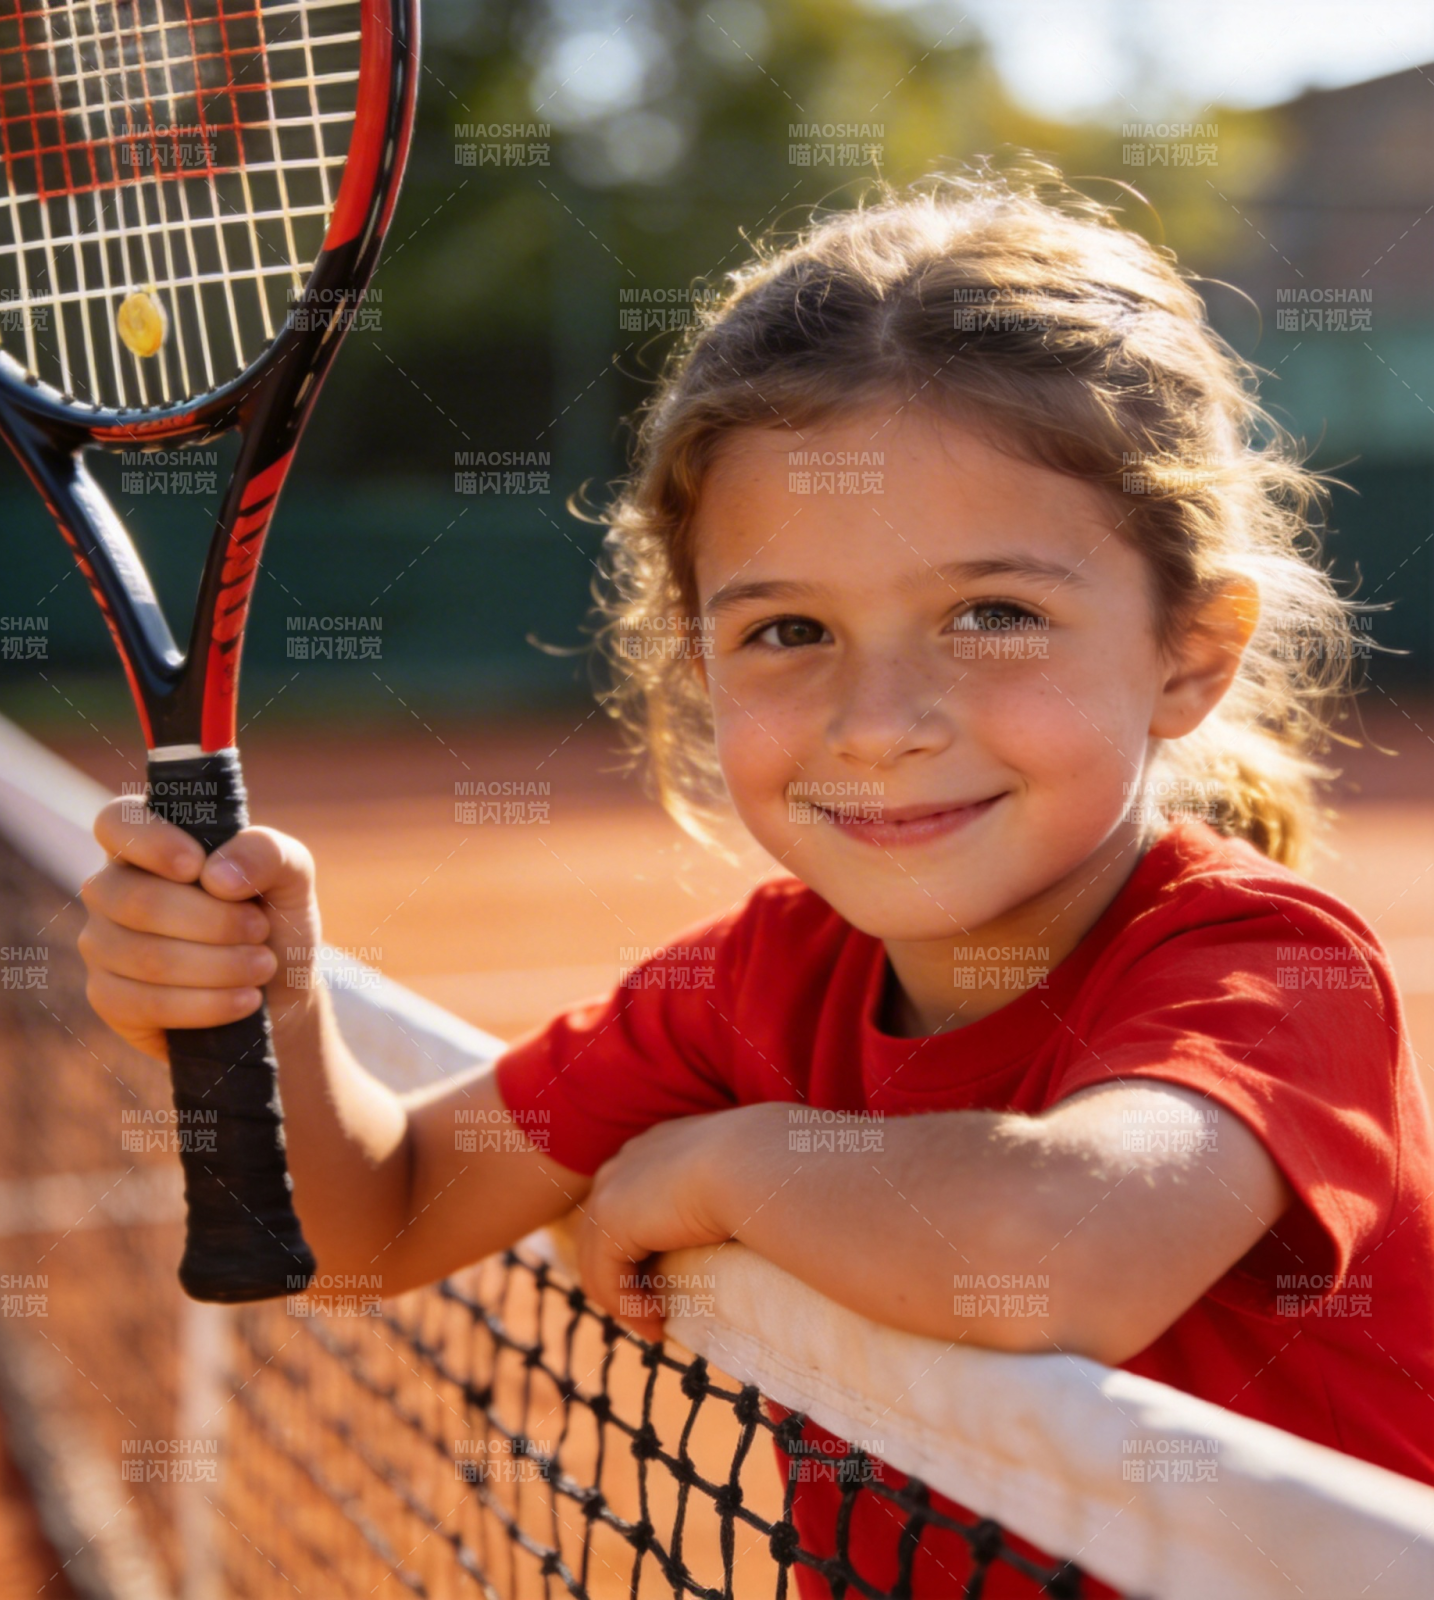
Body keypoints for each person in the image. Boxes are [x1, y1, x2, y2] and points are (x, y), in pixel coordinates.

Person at [78, 157, 1434, 1597]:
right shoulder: (750, 988)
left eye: (993, 612)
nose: (879, 719)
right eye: (790, 631)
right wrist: (255, 1003)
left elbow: (1061, 1252)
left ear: (1190, 653)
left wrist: (731, 1161)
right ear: (696, 656)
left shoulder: (1264, 966)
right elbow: (383, 1217)